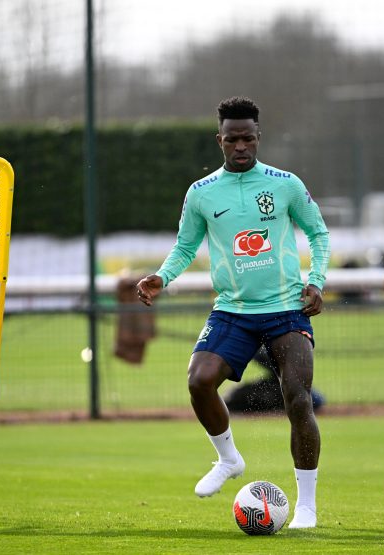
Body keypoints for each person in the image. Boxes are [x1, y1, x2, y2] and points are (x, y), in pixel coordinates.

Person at [137, 96, 330, 529]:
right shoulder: (201, 192)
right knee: (199, 380)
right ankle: (228, 458)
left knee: (297, 398)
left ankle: (306, 507)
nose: (240, 146)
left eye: (247, 138)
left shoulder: (285, 184)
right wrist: (161, 278)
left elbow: (318, 233)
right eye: (231, 139)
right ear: (219, 140)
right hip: (233, 311)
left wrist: (316, 280)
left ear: (258, 137)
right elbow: (186, 246)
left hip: (286, 308)